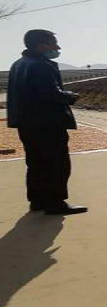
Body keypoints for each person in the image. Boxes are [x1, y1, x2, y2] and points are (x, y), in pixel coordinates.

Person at [6, 29, 87, 215]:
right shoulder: (41, 65)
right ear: (41, 46)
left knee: (36, 163)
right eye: (54, 44)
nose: (57, 48)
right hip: (47, 123)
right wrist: (70, 96)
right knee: (56, 163)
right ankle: (55, 203)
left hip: (27, 123)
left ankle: (38, 200)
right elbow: (49, 93)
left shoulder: (18, 64)